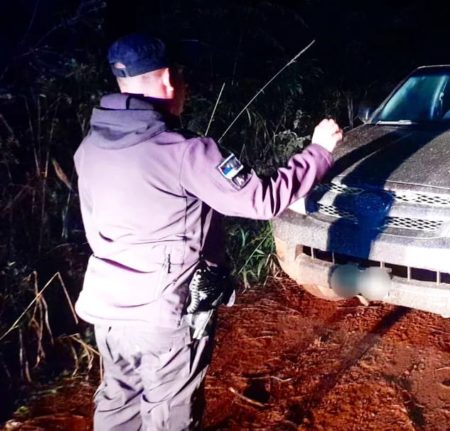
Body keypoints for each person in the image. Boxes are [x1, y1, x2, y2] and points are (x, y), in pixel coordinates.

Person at [73, 33, 341, 430]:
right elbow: (261, 201)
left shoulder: (89, 149)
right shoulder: (182, 151)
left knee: (118, 401)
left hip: (109, 309)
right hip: (166, 312)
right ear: (167, 81)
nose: (186, 86)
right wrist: (318, 153)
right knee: (168, 413)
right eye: (181, 77)